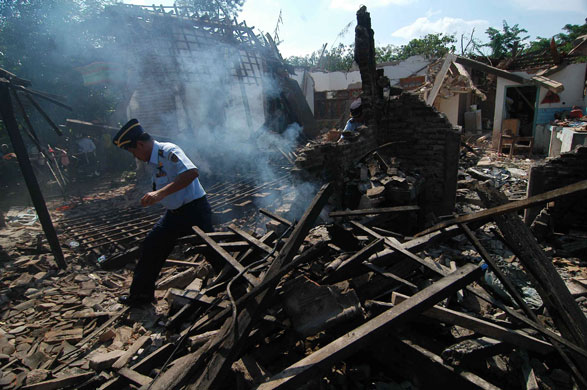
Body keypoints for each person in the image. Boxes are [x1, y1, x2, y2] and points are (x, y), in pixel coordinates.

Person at [112, 119, 213, 306]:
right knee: (151, 247)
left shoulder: (168, 151)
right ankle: (140, 296)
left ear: (140, 144)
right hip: (174, 215)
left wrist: (159, 193)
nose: (135, 156)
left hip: (195, 211)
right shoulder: (153, 160)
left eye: (134, 151)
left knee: (213, 251)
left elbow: (191, 173)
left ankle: (236, 283)